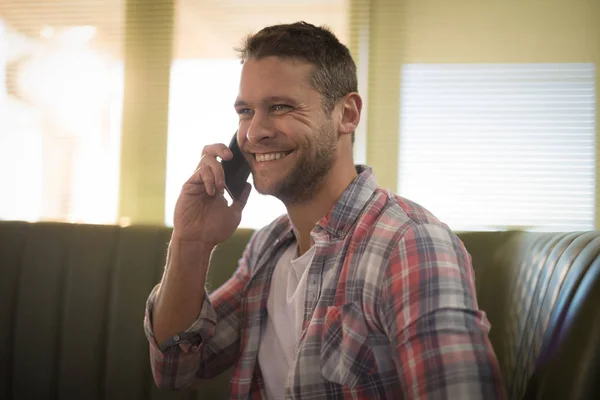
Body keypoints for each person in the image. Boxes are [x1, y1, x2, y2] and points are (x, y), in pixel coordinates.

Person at [144, 21, 505, 399]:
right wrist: (191, 241)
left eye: (280, 106)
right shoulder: (269, 247)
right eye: (246, 111)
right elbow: (175, 366)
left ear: (347, 114)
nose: (253, 134)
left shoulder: (410, 244)